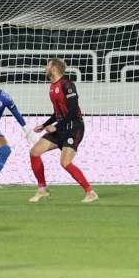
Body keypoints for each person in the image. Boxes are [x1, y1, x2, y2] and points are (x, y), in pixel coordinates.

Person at [28, 58, 98, 203]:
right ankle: (43, 189)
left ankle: (90, 192)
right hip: (61, 127)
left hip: (74, 127)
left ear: (54, 68)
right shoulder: (52, 87)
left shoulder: (67, 84)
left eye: (48, 65)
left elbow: (73, 110)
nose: (46, 68)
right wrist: (44, 125)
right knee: (34, 152)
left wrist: (56, 126)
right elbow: (57, 113)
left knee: (65, 162)